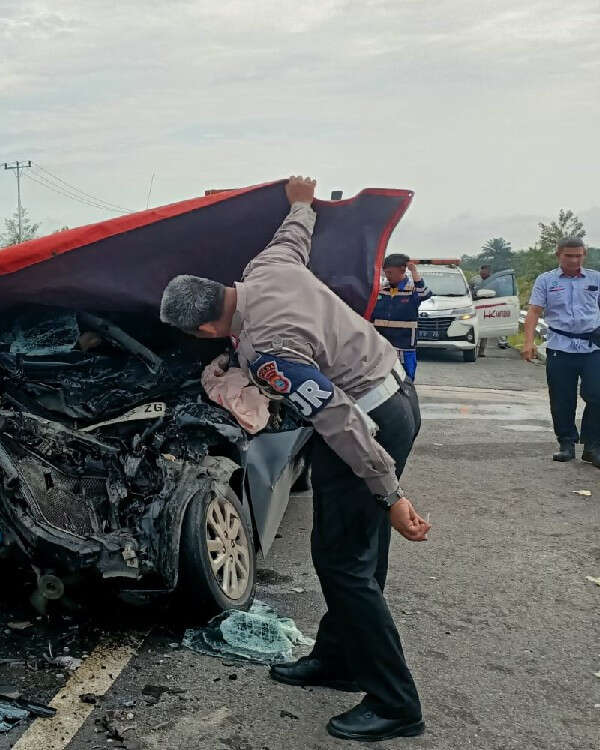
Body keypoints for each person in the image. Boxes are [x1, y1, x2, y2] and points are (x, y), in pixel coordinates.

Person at [159, 176, 431, 743]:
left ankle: (395, 701)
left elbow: (338, 419)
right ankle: (338, 659)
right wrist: (301, 202)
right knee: (349, 549)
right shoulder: (267, 269)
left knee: (344, 564)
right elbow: (293, 234)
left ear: (207, 328)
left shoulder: (268, 351)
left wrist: (391, 495)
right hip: (392, 390)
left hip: (369, 419)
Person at [523, 237, 600, 466]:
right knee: (562, 399)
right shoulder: (546, 280)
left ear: (584, 255)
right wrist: (528, 343)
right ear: (559, 255)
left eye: (578, 255)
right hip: (560, 347)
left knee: (597, 394)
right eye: (569, 255)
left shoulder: (596, 278)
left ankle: (592, 445)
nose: (574, 260)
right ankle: (566, 443)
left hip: (592, 346)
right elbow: (534, 311)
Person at [371, 254, 431, 381]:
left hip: (404, 344)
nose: (388, 276)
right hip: (382, 344)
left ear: (402, 270)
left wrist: (414, 271)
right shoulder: (381, 289)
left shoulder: (412, 290)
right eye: (386, 272)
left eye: (391, 272)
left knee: (406, 378)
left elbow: (424, 293)